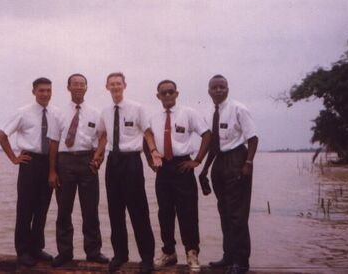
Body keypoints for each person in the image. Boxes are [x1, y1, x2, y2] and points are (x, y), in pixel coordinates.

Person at [94, 72, 162, 274]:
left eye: (118, 83)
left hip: (132, 162)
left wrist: (154, 152)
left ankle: (147, 257)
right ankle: (120, 254)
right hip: (112, 163)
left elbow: (147, 132)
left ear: (125, 85)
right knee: (115, 212)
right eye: (112, 84)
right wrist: (97, 157)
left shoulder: (137, 108)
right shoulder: (105, 111)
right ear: (107, 87)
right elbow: (104, 135)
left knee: (139, 211)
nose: (115, 87)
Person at [145, 80, 211, 272]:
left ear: (176, 93)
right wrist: (151, 160)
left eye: (170, 92)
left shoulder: (188, 113)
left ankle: (192, 253)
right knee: (165, 212)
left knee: (188, 212)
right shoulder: (154, 117)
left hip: (183, 166)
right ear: (158, 96)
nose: (167, 96)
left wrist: (197, 160)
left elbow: (207, 135)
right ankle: (169, 252)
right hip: (163, 169)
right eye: (163, 93)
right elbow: (146, 136)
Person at [198, 75, 258, 274]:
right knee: (224, 213)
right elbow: (213, 145)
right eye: (214, 87)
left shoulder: (238, 109)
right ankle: (228, 257)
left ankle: (241, 262)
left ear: (228, 89)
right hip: (219, 162)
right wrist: (204, 170)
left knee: (237, 215)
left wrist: (248, 163)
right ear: (208, 91)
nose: (218, 90)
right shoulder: (209, 113)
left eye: (222, 87)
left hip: (237, 160)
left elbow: (253, 138)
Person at [47, 73, 109, 267]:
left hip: (87, 162)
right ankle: (64, 253)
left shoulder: (95, 113)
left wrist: (98, 157)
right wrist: (52, 171)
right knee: (64, 210)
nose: (79, 87)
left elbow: (103, 136)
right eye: (75, 84)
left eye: (82, 84)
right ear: (68, 88)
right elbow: (54, 143)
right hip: (64, 162)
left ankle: (93, 251)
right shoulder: (57, 113)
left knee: (90, 210)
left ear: (87, 88)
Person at [0, 77, 56, 267]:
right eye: (41, 91)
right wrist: (14, 158)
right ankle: (22, 251)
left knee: (42, 209)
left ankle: (36, 248)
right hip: (29, 162)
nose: (45, 94)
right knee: (25, 209)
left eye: (48, 90)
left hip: (49, 163)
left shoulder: (56, 113)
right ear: (34, 92)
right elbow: (2, 135)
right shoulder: (23, 113)